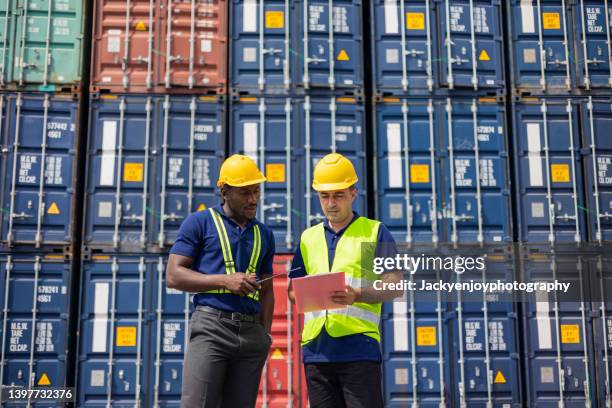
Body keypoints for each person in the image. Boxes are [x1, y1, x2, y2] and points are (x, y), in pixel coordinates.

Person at [288, 153, 402, 408]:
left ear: (353, 193)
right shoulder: (309, 238)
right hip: (317, 352)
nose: (331, 203)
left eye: (338, 195)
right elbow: (292, 292)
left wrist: (357, 294)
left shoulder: (374, 232)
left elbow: (395, 284)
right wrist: (307, 294)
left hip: (359, 349)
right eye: (324, 196)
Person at [166, 154, 275, 408]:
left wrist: (265, 334)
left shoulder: (265, 234)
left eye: (256, 191)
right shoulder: (199, 223)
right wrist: (225, 281)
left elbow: (268, 290)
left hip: (251, 335)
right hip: (211, 329)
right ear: (225, 191)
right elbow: (173, 275)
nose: (253, 199)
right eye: (245, 193)